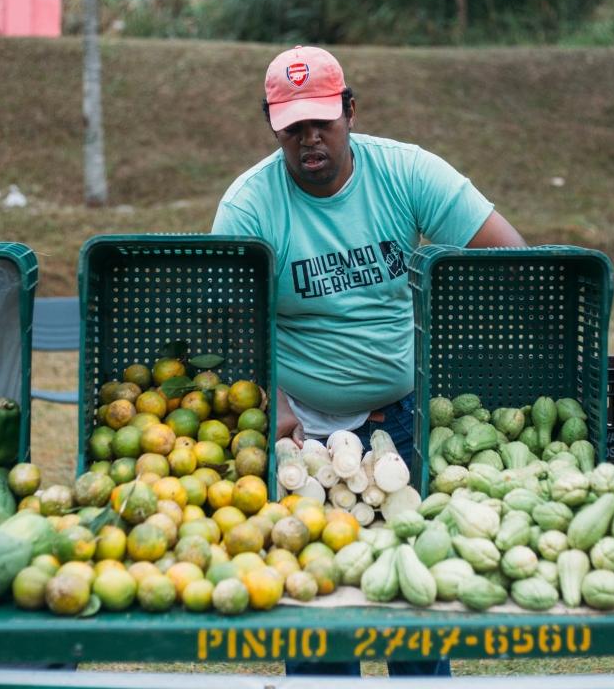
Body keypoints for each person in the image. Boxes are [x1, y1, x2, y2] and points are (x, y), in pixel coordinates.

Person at [211, 45, 526, 677]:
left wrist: (459, 367)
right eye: (292, 128)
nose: (309, 141)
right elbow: (225, 330)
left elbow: (510, 257)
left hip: (404, 422)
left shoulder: (405, 173)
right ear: (273, 127)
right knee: (318, 620)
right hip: (301, 441)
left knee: (416, 610)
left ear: (350, 111)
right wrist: (272, 409)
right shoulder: (249, 207)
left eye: (321, 123)